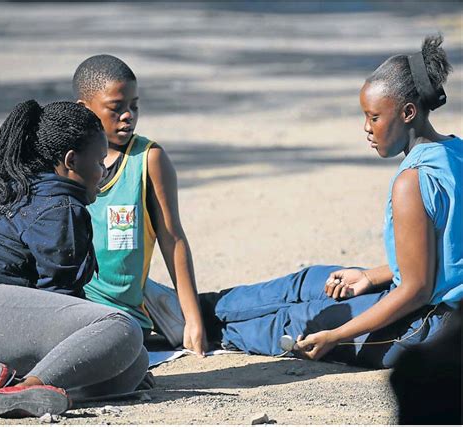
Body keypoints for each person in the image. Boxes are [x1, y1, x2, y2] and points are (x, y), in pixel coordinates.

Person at [155, 34, 462, 369]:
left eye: (374, 117)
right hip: (423, 302)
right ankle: (188, 309)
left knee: (301, 321)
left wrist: (336, 335)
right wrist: (370, 277)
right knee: (311, 281)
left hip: (430, 328)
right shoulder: (455, 151)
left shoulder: (412, 181)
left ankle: (188, 324)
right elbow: (444, 253)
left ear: (407, 112)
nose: (367, 128)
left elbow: (417, 290)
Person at [0, 100, 150, 417]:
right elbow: (62, 298)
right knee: (122, 328)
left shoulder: (21, 188)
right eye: (100, 161)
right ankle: (24, 389)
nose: (103, 172)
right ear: (70, 161)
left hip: (1, 325)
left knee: (133, 365)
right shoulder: (60, 206)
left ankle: (5, 381)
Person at [72, 55, 207, 355]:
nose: (128, 115)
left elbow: (172, 239)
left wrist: (193, 320)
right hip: (71, 310)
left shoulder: (148, 160)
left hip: (126, 320)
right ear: (85, 109)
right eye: (116, 108)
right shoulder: (66, 160)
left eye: (134, 106)